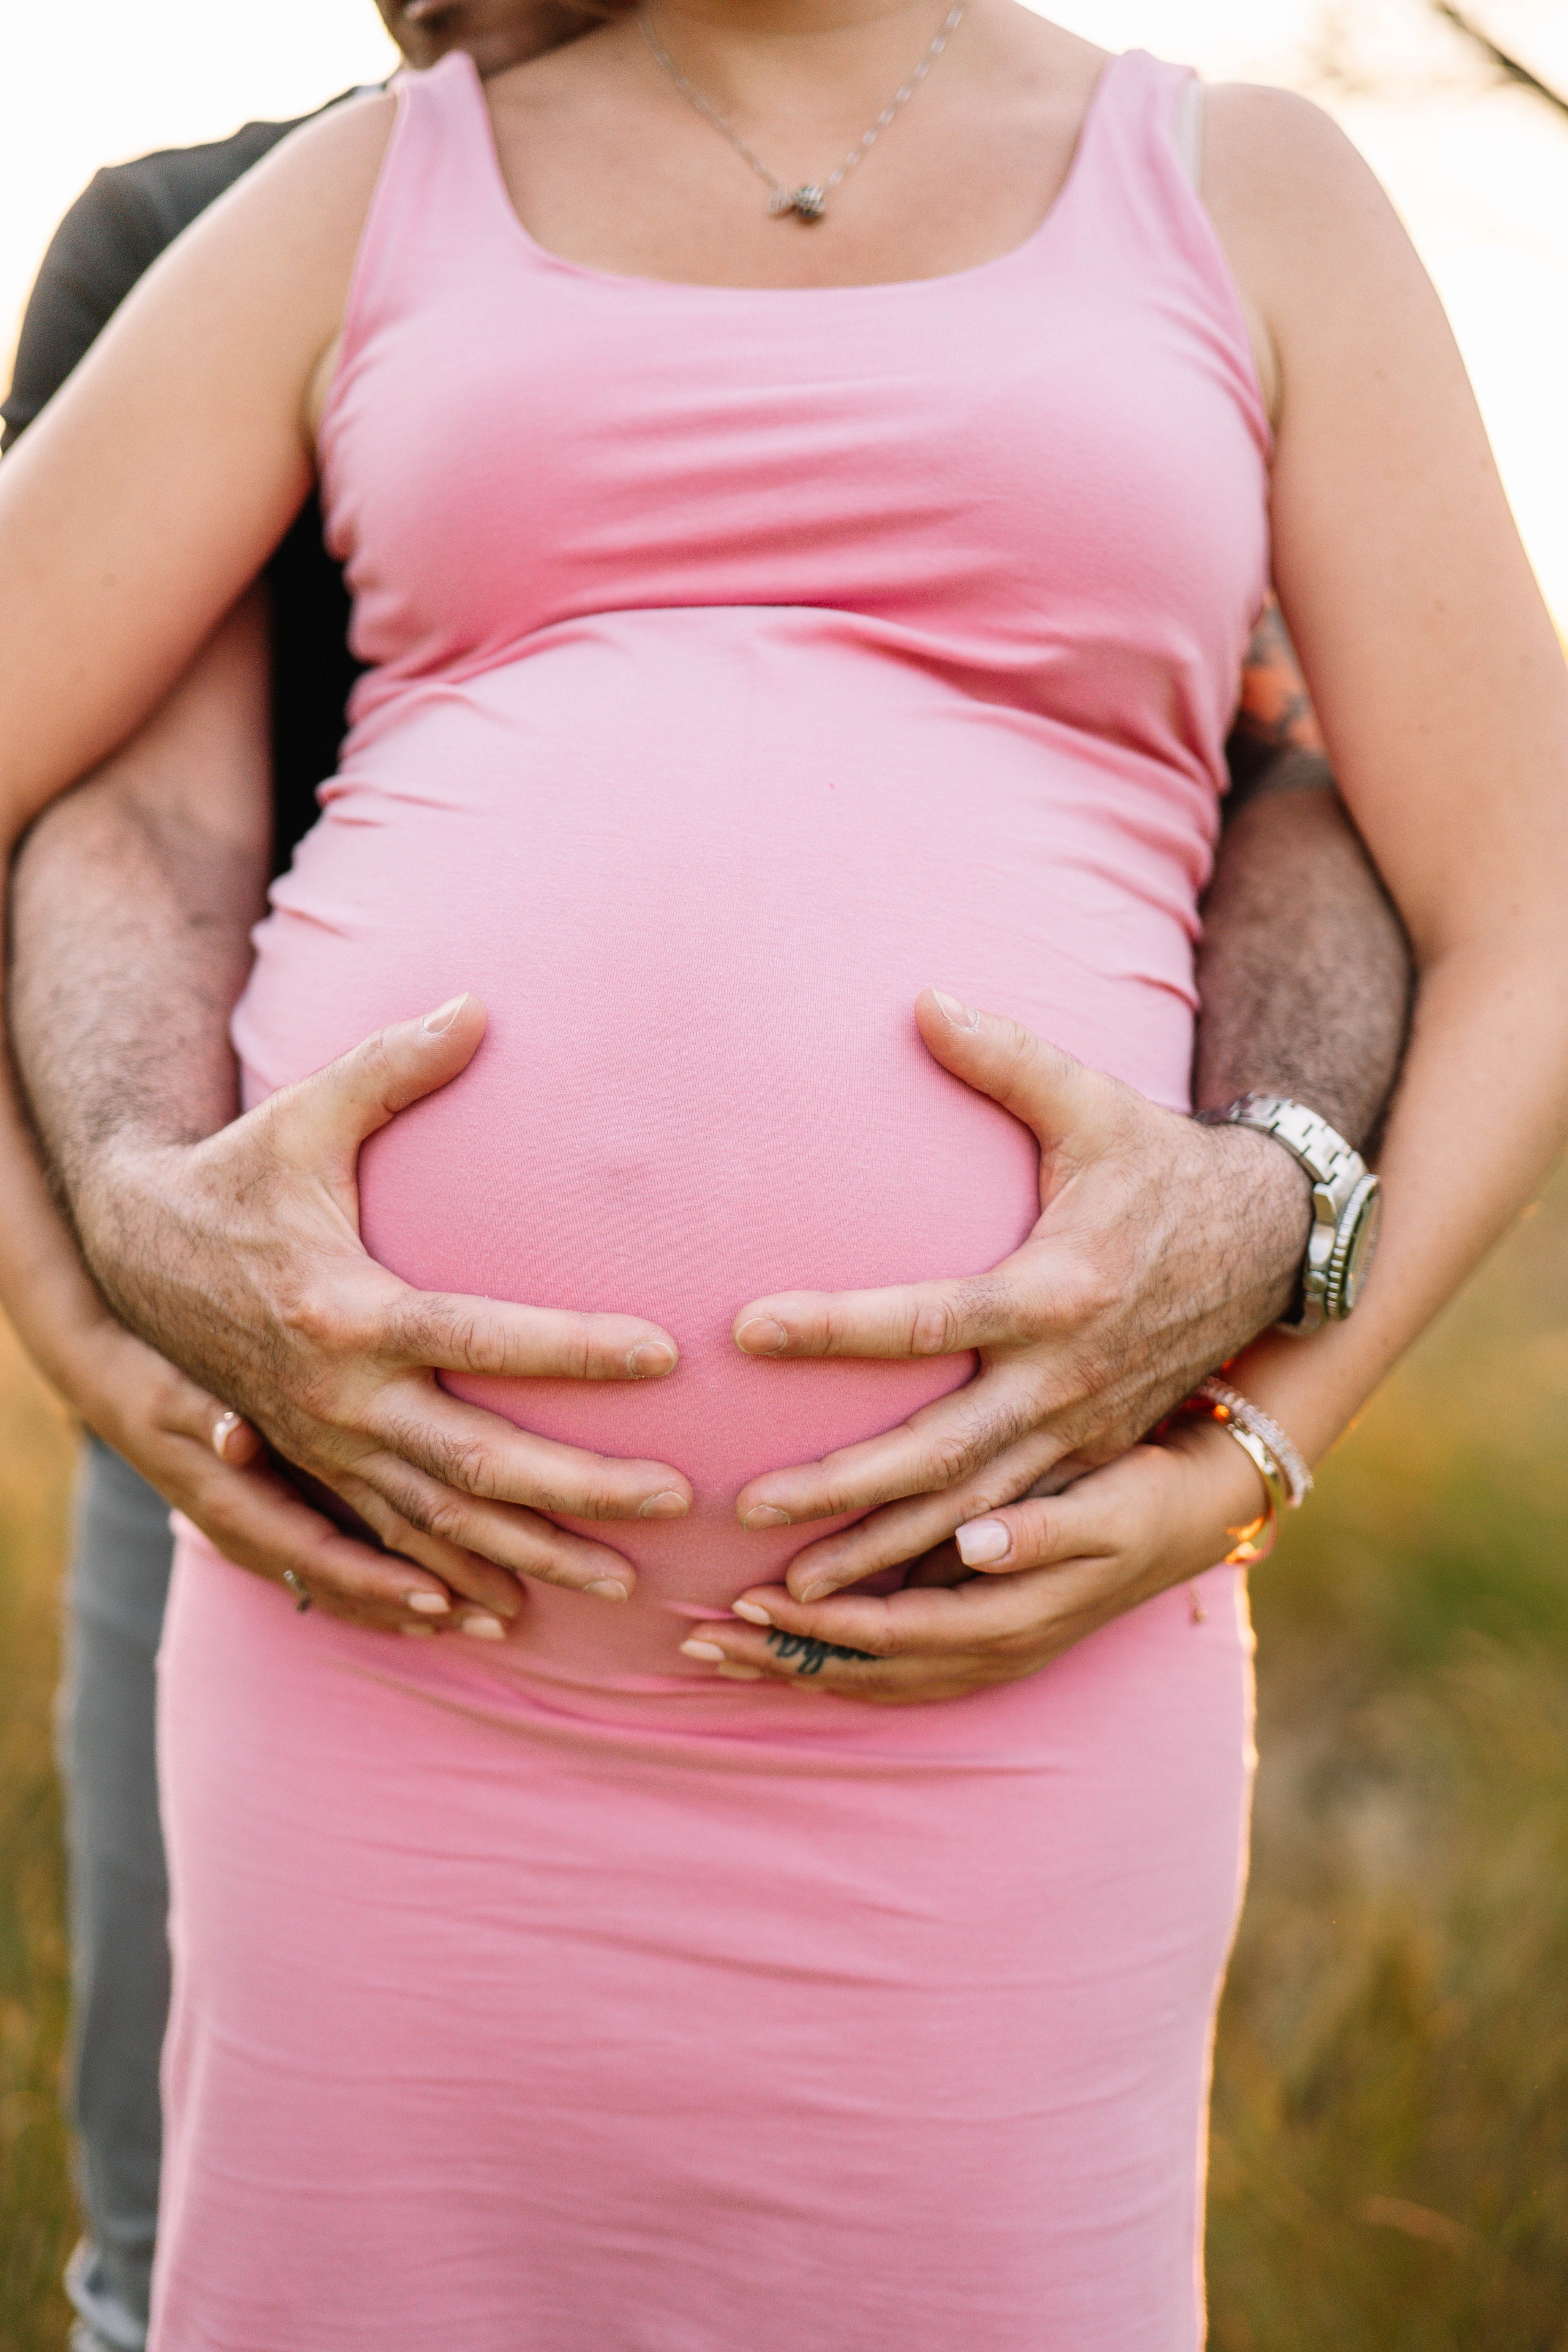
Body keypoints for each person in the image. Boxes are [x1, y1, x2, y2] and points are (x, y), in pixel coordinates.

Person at [2, 0, 1561, 2338]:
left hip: (1003, 1667)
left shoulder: (1254, 190)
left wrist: (1257, 1449)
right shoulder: (358, 192)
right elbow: (79, 790)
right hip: (402, 1656)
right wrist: (88, 1280)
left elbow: (1521, 900)